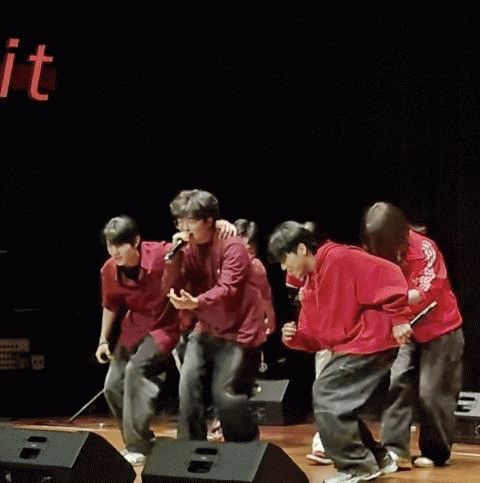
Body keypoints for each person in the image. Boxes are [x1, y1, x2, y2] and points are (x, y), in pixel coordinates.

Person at [268, 221, 412, 483]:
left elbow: (389, 274)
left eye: (284, 260)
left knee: (327, 394)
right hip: (353, 344)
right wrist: (295, 338)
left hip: (372, 338)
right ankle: (377, 457)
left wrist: (399, 318)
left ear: (301, 249)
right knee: (337, 401)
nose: (284, 268)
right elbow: (317, 337)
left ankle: (357, 466)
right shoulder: (310, 286)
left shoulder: (339, 257)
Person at [361, 201, 464, 469]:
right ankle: (395, 449)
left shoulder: (424, 249)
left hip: (441, 330)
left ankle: (436, 452)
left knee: (432, 394)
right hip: (404, 329)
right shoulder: (374, 253)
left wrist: (394, 303)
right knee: (397, 383)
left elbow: (428, 290)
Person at [166, 189, 266, 443]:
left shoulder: (233, 246)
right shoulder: (185, 249)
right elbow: (169, 285)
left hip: (238, 330)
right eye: (179, 222)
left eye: (189, 221)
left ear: (209, 220)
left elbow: (229, 288)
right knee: (187, 388)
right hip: (206, 327)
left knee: (225, 395)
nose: (184, 228)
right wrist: (175, 258)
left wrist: (197, 302)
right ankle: (189, 447)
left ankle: (243, 446)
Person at [96, 215, 181, 466]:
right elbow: (110, 304)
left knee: (136, 370)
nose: (115, 252)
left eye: (120, 245)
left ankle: (136, 446)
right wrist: (103, 340)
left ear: (135, 241)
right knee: (112, 385)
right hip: (135, 327)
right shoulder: (109, 269)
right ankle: (142, 440)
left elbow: (188, 249)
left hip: (167, 325)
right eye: (110, 245)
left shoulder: (161, 256)